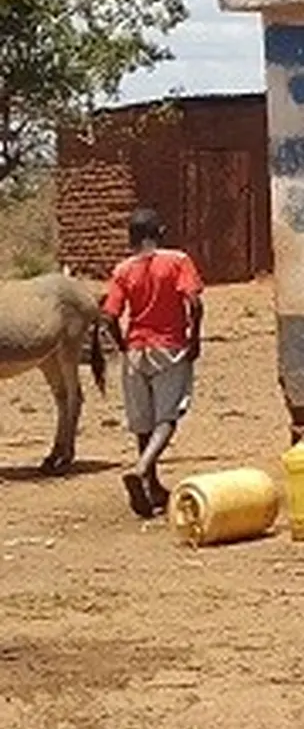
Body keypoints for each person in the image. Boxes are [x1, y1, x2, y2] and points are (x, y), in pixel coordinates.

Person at [102, 206, 204, 518]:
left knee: (142, 422)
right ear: (159, 233)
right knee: (167, 417)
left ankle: (151, 485)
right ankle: (143, 467)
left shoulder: (122, 270)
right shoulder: (177, 261)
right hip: (169, 347)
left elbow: (108, 318)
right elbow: (194, 302)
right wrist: (194, 337)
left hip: (135, 350)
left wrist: (123, 347)